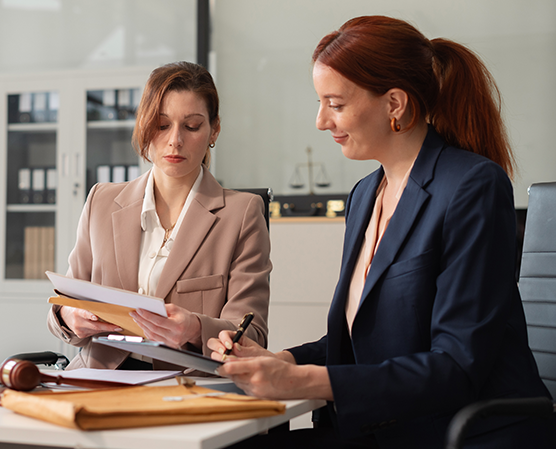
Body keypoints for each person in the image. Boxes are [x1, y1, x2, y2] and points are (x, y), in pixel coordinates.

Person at [208, 16, 556, 448]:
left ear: (394, 103)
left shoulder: (471, 186)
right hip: (384, 424)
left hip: (455, 433)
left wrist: (304, 381)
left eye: (335, 104)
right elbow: (366, 339)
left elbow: (456, 365)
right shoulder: (365, 194)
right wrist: (282, 360)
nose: (320, 121)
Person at [48, 61, 271, 371]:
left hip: (186, 386)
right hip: (97, 379)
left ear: (213, 130)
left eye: (191, 126)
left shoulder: (241, 213)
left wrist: (195, 329)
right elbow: (64, 302)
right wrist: (69, 317)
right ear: (143, 124)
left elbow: (253, 334)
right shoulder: (102, 201)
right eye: (162, 125)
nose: (175, 140)